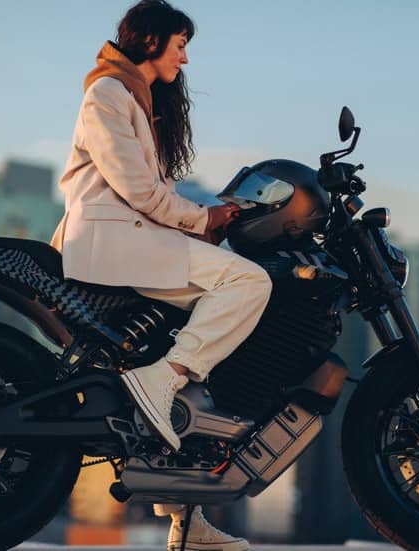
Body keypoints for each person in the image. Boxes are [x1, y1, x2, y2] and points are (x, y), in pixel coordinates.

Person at [49, 1, 269, 549]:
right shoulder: (106, 94)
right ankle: (163, 375)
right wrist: (204, 218)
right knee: (249, 283)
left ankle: (187, 524)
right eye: (179, 45)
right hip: (113, 243)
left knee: (198, 351)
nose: (185, 58)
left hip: (131, 239)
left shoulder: (133, 100)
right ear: (150, 43)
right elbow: (139, 191)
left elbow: (151, 192)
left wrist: (209, 218)